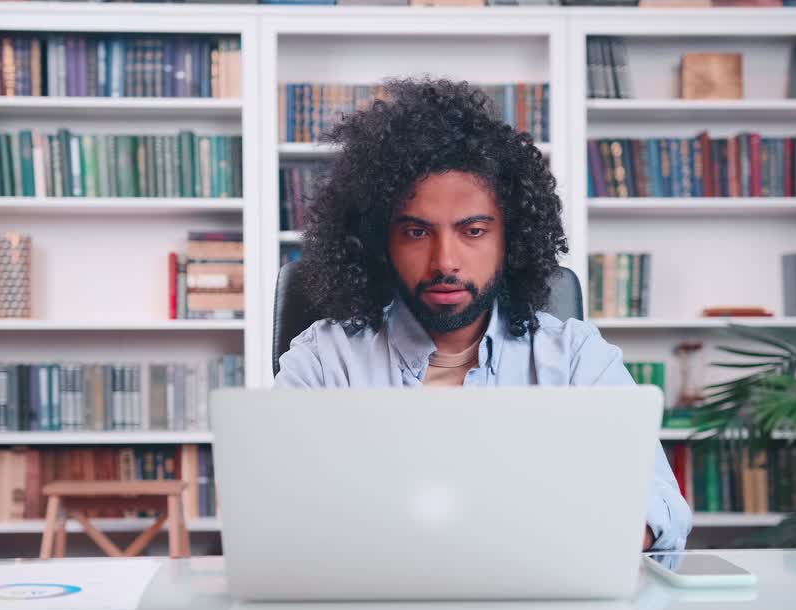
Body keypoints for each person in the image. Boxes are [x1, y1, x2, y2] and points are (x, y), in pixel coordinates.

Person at [275, 77, 691, 551]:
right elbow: (281, 513)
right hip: (374, 609)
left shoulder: (576, 359)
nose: (445, 261)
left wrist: (571, 543)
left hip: (537, 605)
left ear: (509, 239)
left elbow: (658, 503)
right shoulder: (325, 362)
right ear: (378, 242)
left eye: (472, 231)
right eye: (416, 232)